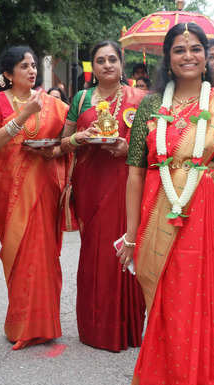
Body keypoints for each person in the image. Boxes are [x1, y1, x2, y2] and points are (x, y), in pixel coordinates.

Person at [120, 22, 214, 385]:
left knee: (201, 301)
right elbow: (135, 173)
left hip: (208, 216)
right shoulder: (148, 107)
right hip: (159, 211)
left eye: (196, 49)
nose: (189, 56)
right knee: (164, 302)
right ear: (168, 58)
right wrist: (129, 234)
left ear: (209, 56)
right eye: (179, 50)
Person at [60, 40, 146, 352]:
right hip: (91, 185)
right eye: (100, 60)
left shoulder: (141, 99)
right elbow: (61, 144)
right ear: (92, 67)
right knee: (94, 252)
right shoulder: (81, 99)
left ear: (122, 64)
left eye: (112, 59)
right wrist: (78, 138)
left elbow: (154, 145)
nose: (107, 65)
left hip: (127, 183)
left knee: (126, 248)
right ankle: (94, 326)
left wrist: (127, 147)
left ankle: (127, 325)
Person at [0, 46, 70, 350]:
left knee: (43, 252)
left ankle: (45, 324)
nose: (31, 71)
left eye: (33, 65)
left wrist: (56, 149)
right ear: (8, 74)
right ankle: (20, 323)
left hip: (43, 183)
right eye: (24, 66)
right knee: (18, 252)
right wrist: (24, 115)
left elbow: (64, 138)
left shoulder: (51, 103)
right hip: (8, 188)